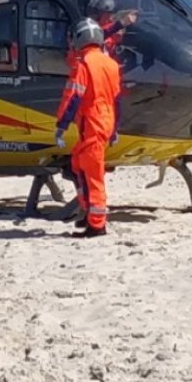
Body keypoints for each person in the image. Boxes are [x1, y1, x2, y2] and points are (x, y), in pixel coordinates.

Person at [55, 18, 123, 238]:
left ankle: (97, 224)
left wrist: (61, 125)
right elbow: (116, 99)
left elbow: (73, 97)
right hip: (104, 120)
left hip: (92, 122)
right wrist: (114, 130)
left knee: (93, 174)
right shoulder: (111, 64)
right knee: (78, 164)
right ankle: (87, 210)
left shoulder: (83, 64)